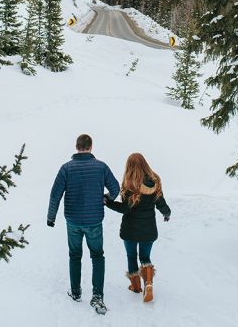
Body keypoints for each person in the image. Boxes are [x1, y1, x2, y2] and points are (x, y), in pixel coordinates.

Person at [47, 134, 120, 315]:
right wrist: (107, 198)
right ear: (91, 147)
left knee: (74, 255)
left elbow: (55, 194)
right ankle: (97, 295)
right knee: (97, 255)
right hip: (94, 219)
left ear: (76, 146)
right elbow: (116, 188)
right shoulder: (101, 167)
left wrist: (51, 218)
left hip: (73, 220)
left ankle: (76, 292)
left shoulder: (66, 168)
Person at [104, 152, 171, 303]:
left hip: (130, 229)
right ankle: (148, 284)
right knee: (145, 257)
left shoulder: (129, 184)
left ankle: (135, 286)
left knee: (132, 256)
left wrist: (108, 203)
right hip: (149, 229)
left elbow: (125, 209)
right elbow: (161, 204)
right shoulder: (155, 182)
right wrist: (167, 213)